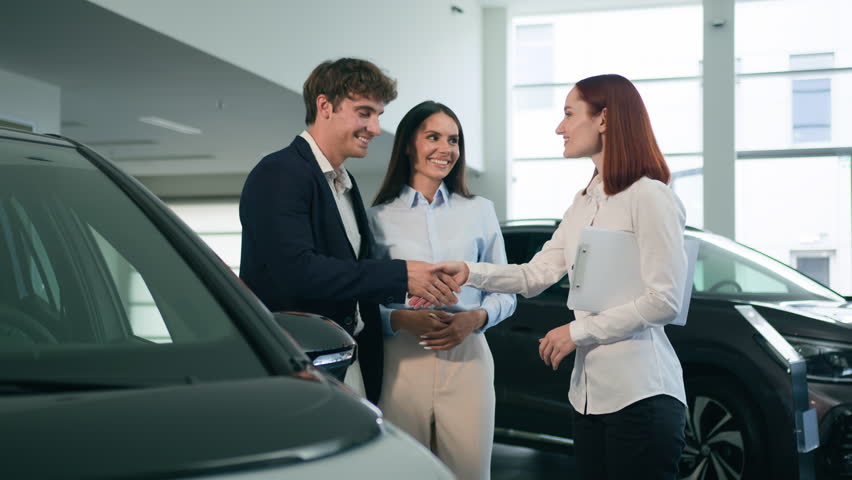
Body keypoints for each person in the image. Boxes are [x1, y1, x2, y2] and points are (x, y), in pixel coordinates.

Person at [435, 74, 689, 479]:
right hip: (586, 399)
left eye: (569, 114)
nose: (560, 127)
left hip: (643, 397)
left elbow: (665, 300)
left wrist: (577, 332)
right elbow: (536, 274)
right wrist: (469, 272)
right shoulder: (583, 202)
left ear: (604, 119)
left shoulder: (650, 196)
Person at [239, 59, 459, 405]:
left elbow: (349, 271)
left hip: (347, 359)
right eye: (364, 113)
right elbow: (297, 272)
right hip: (299, 368)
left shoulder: (345, 181)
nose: (374, 127)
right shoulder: (279, 173)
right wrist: (401, 275)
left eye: (378, 116)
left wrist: (412, 292)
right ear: (324, 106)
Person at [367, 101, 516, 480]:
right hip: (400, 361)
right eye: (433, 137)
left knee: (469, 473)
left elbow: (506, 291)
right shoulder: (377, 217)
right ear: (406, 145)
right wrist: (400, 318)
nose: (445, 149)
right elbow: (363, 299)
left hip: (467, 358)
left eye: (453, 140)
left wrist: (476, 318)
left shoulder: (480, 210)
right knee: (404, 473)